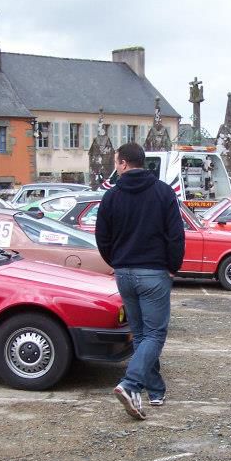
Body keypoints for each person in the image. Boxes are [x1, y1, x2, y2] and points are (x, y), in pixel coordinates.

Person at [95, 142, 185, 420]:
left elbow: (102, 236)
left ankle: (155, 389)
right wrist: (173, 266)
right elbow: (175, 234)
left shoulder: (111, 197)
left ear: (123, 163)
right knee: (155, 334)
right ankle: (131, 383)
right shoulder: (163, 192)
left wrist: (116, 261)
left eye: (116, 161)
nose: (115, 166)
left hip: (125, 271)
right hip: (154, 271)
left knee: (142, 335)